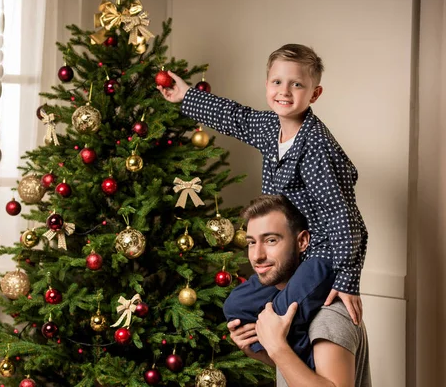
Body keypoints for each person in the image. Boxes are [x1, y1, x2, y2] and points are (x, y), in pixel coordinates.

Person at [158, 44, 368, 368]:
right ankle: (272, 349)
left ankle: (302, 359)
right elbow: (234, 118)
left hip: (321, 252)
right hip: (289, 251)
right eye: (277, 82)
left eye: (297, 84)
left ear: (314, 93)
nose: (285, 91)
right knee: (237, 305)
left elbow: (346, 218)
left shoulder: (315, 147)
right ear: (267, 84)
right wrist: (187, 96)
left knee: (285, 312)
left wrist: (347, 279)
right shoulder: (271, 128)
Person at [228, 195, 371, 386]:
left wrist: (276, 346)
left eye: (271, 240)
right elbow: (300, 372)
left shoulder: (329, 315)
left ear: (302, 241)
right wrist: (259, 350)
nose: (257, 256)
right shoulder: (281, 303)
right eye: (252, 242)